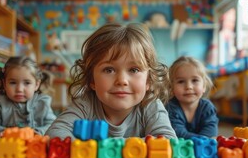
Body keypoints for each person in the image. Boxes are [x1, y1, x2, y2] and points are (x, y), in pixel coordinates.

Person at [45, 23, 176, 140]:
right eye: (109, 70)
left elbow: (167, 141)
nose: (122, 81)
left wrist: (107, 147)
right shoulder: (86, 104)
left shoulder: (150, 105)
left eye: (134, 70)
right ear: (92, 80)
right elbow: (54, 133)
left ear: (148, 80)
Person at [0, 56, 57, 135]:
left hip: (36, 145)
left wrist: (39, 132)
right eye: (13, 83)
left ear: (37, 85)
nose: (19, 89)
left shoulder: (43, 102)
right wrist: (3, 132)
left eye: (27, 83)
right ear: (4, 83)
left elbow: (52, 124)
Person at [165, 56, 218, 138]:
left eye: (195, 80)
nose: (189, 86)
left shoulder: (207, 107)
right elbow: (178, 134)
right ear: (171, 88)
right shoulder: (170, 108)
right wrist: (201, 140)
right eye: (181, 81)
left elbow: (210, 133)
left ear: (204, 86)